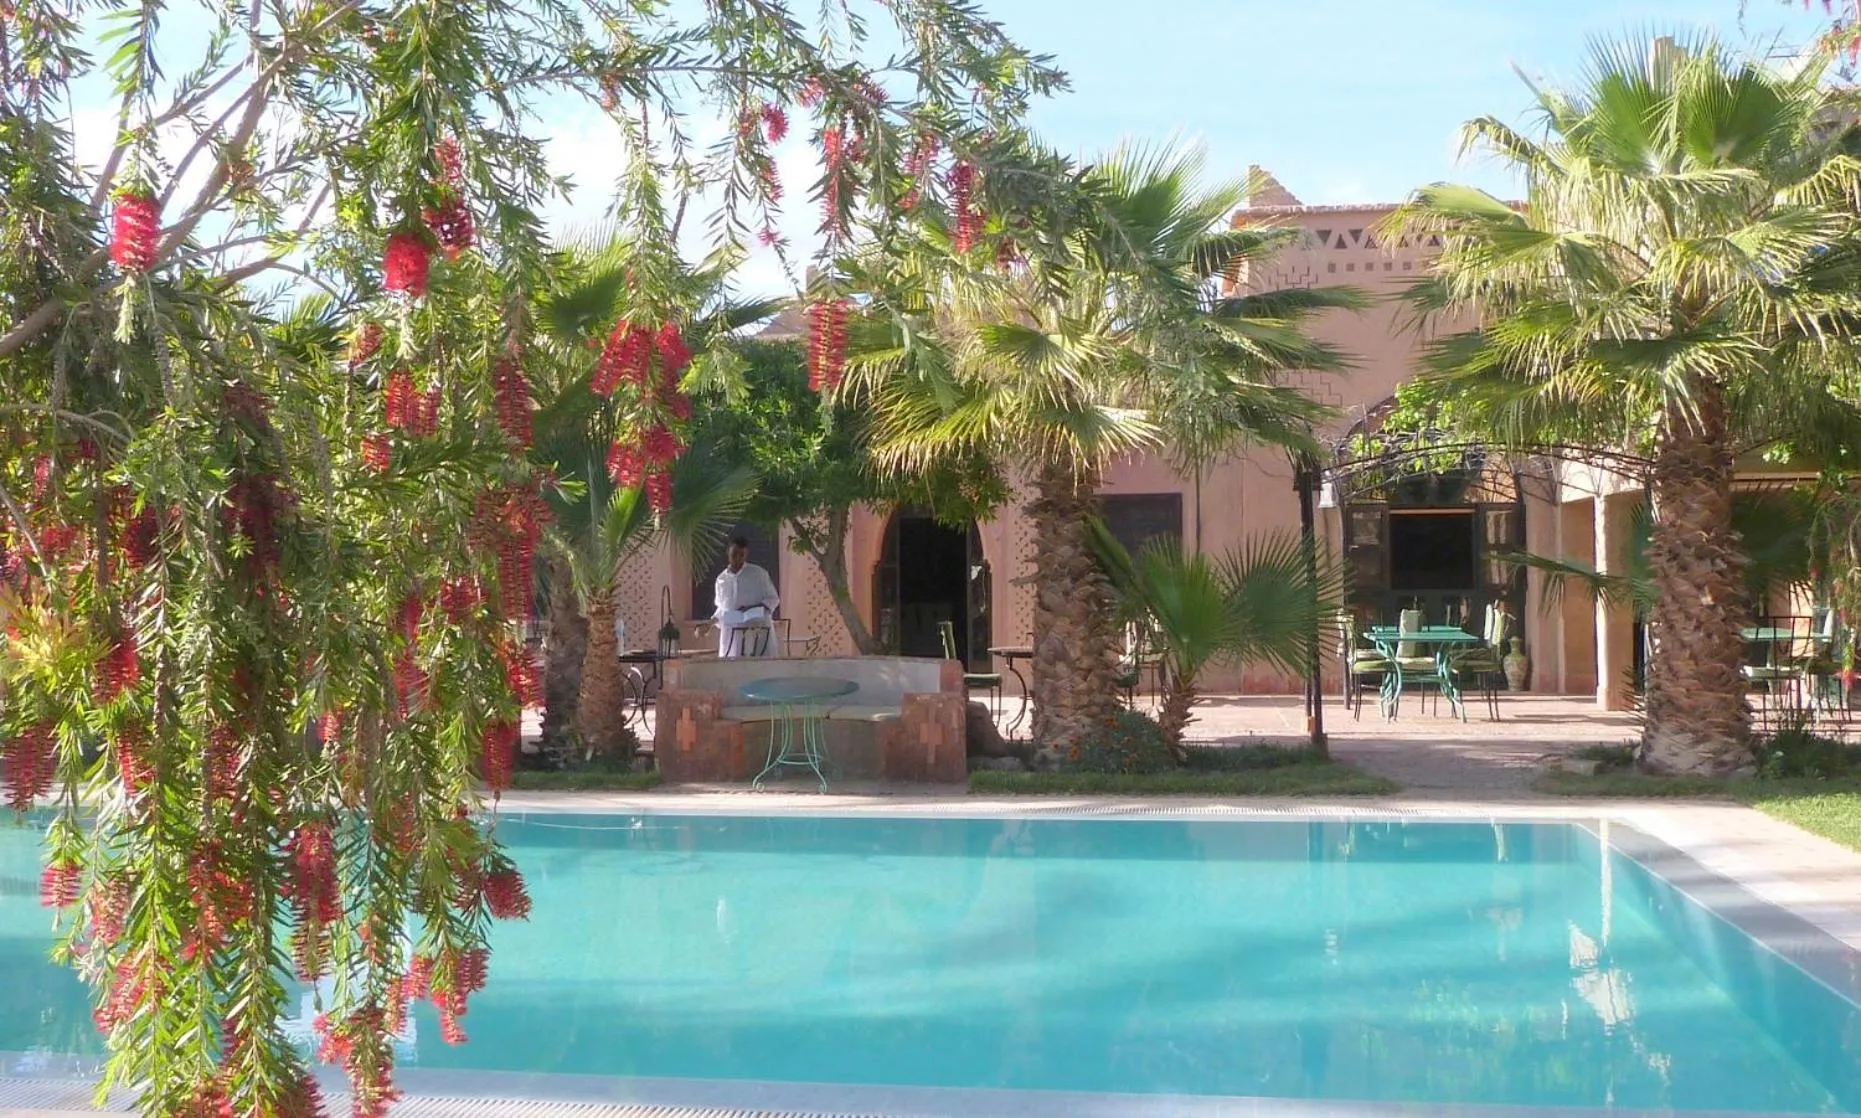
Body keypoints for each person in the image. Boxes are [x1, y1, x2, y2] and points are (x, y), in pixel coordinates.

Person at [713, 536, 779, 657]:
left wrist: (751, 609)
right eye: (734, 554)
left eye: (741, 555)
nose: (738, 558)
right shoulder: (721, 580)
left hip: (757, 633)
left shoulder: (758, 574)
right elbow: (721, 609)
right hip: (732, 637)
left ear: (746, 555)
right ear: (728, 552)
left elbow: (773, 599)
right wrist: (709, 623)